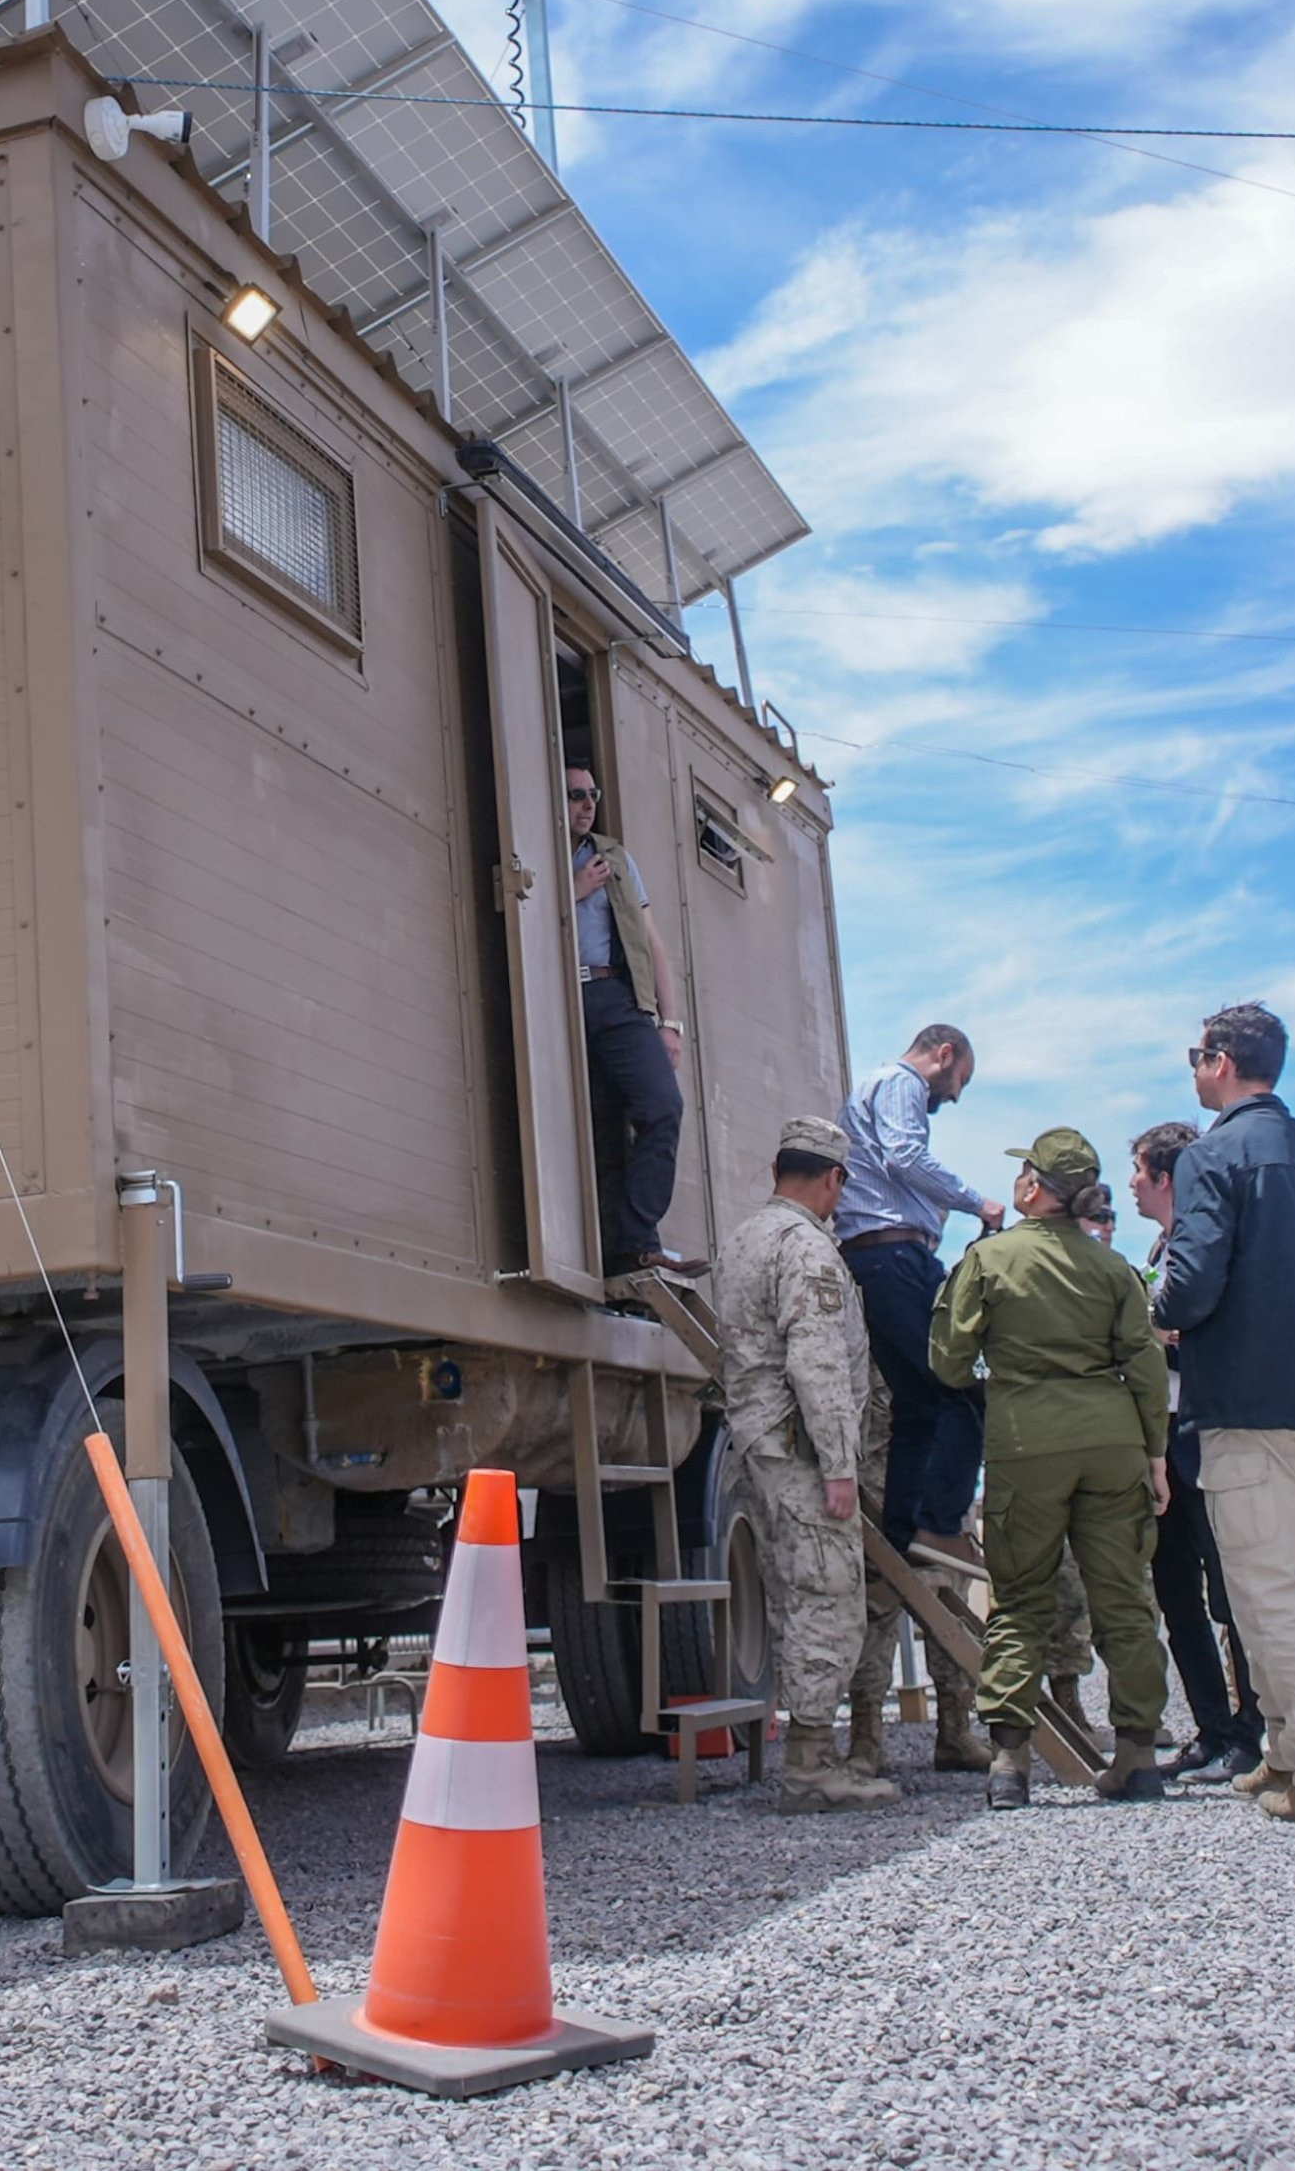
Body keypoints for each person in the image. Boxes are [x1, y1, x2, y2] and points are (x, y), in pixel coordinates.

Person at [1152, 1002, 1295, 1831]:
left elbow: (1195, 1280)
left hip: (1247, 1401)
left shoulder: (1213, 1157)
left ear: (1219, 1060)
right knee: (1268, 1585)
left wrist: (1159, 1306)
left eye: (1194, 1055)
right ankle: (1283, 1748)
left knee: (1270, 1589)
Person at [928, 1127, 1168, 1808]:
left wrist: (999, 1369)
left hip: (1025, 1440)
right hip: (1115, 1441)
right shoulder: (1113, 1268)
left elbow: (947, 1360)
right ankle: (1138, 1757)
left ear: (1034, 1185)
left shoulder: (989, 1259)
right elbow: (1145, 1364)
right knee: (1122, 1600)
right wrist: (1154, 1454)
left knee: (1020, 1599)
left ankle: (1010, 1761)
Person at [705, 1116, 898, 1811]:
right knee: (828, 1595)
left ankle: (805, 1753)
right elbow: (816, 1362)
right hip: (802, 1448)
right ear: (833, 1180)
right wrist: (841, 1466)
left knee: (791, 1594)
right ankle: (813, 1766)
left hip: (760, 1441)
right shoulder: (808, 1250)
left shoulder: (743, 1239)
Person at [836, 1027, 1000, 1568]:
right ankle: (937, 1524)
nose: (955, 1095)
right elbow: (905, 1155)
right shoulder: (900, 1082)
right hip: (894, 1256)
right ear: (943, 1055)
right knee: (960, 1388)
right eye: (961, 1080)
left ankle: (907, 1533)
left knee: (919, 1404)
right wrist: (978, 1203)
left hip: (879, 1259)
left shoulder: (878, 1089)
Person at [1131, 1120, 1263, 1779]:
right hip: (1165, 1441)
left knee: (1232, 1594)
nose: (1128, 1183)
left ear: (1162, 1176)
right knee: (1177, 1591)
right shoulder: (1161, 1244)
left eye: (1137, 1170)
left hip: (1209, 1433)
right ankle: (1211, 1728)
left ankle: (1252, 1731)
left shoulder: (1210, 1239)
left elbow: (1200, 1324)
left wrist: (1156, 1331)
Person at [565, 764, 686, 1268]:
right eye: (575, 796)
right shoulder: (533, 846)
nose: (588, 804)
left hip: (616, 996)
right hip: (560, 999)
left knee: (662, 1107)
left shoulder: (614, 856)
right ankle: (619, 1253)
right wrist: (572, 891)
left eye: (593, 794)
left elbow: (651, 940)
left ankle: (639, 1240)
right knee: (598, 1130)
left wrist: (669, 1022)